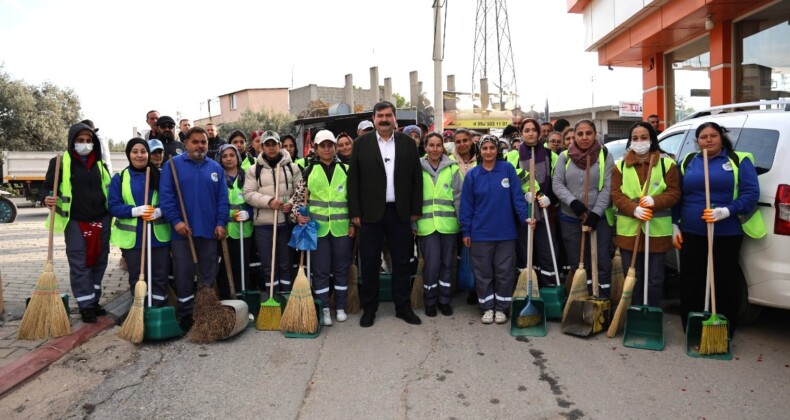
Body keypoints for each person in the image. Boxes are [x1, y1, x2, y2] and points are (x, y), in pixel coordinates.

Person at [674, 122, 760, 336]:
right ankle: (692, 328)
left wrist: (727, 211)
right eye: (704, 137)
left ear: (721, 138)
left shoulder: (738, 160)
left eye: (713, 135)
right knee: (691, 279)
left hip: (726, 233)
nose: (709, 140)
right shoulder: (688, 162)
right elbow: (677, 195)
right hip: (692, 232)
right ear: (697, 141)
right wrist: (674, 223)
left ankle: (721, 330)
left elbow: (750, 194)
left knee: (724, 281)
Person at [347, 101, 423, 328]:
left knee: (401, 261)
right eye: (380, 116)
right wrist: (355, 212)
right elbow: (354, 181)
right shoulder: (361, 144)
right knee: (369, 263)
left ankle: (403, 307)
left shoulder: (408, 143)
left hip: (400, 213)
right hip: (370, 214)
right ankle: (369, 308)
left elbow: (416, 179)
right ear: (373, 118)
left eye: (388, 115)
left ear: (394, 118)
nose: (384, 119)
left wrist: (415, 209)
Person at [159, 127, 230, 332]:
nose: (200, 145)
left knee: (208, 273)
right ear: (186, 144)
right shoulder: (172, 166)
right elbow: (166, 197)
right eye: (195, 142)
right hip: (183, 233)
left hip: (209, 232)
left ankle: (205, 311)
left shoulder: (216, 168)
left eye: (204, 142)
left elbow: (222, 200)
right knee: (184, 274)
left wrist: (220, 223)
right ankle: (186, 314)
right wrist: (176, 221)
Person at [42, 122, 112, 323]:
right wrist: (46, 198)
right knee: (80, 263)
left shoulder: (100, 163)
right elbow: (47, 188)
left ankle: (94, 300)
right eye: (80, 140)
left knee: (99, 260)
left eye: (89, 141)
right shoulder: (59, 162)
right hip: (75, 222)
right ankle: (85, 305)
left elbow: (108, 189)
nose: (85, 144)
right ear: (72, 142)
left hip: (101, 220)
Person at [459, 135, 530, 324]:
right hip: (480, 234)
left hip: (506, 233)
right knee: (483, 273)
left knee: (504, 271)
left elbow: (517, 197)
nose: (488, 152)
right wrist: (466, 231)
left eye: (492, 148)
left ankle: (502, 308)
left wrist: (525, 218)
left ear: (497, 150)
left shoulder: (507, 169)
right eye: (485, 148)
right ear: (480, 151)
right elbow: (466, 205)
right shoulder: (472, 175)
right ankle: (486, 307)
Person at [611, 122, 680, 307]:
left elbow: (674, 192)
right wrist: (633, 209)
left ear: (652, 140)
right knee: (633, 277)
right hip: (629, 232)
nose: (639, 142)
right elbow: (616, 194)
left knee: (655, 278)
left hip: (657, 232)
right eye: (635, 138)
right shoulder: (620, 166)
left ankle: (651, 314)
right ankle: (634, 313)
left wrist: (656, 202)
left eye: (644, 138)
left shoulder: (667, 164)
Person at [290, 130, 354, 326]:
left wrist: (353, 223)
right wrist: (297, 215)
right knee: (320, 270)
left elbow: (354, 200)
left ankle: (340, 307)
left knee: (342, 269)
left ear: (334, 147)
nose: (327, 149)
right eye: (322, 146)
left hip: (342, 228)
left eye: (330, 145)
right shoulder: (308, 171)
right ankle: (325, 308)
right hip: (316, 230)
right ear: (316, 149)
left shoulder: (346, 169)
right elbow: (298, 199)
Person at [553, 119, 614, 297]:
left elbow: (608, 187)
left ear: (595, 134)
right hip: (571, 218)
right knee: (578, 262)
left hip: (598, 218)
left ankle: (602, 300)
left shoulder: (604, 155)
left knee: (602, 260)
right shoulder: (564, 157)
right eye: (580, 134)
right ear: (574, 136)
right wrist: (574, 203)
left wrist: (595, 213)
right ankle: (583, 298)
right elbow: (557, 184)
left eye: (588, 133)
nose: (584, 137)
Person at [108, 138, 170, 306]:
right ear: (129, 154)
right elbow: (113, 206)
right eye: (135, 152)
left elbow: (172, 201)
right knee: (137, 277)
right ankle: (140, 313)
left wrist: (160, 211)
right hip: (133, 241)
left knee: (159, 277)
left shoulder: (162, 176)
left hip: (158, 238)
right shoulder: (119, 178)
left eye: (143, 151)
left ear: (148, 154)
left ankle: (159, 312)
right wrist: (133, 211)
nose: (140, 155)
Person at [243, 131, 300, 293]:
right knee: (269, 265)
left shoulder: (292, 168)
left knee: (285, 264)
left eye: (273, 144)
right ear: (261, 147)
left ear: (279, 145)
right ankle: (272, 299)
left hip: (286, 223)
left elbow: (301, 192)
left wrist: (290, 203)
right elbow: (248, 194)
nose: (271, 148)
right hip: (264, 225)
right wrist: (269, 202)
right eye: (267, 145)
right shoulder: (254, 170)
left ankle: (286, 298)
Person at [415, 133, 462, 316]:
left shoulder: (453, 168)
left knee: (447, 264)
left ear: (443, 148)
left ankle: (444, 300)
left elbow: (459, 197)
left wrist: (462, 223)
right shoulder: (417, 167)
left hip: (449, 226)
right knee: (431, 265)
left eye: (438, 145)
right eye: (431, 145)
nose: (435, 149)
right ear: (425, 147)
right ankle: (430, 300)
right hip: (426, 226)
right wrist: (412, 223)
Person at [519, 119, 560, 288]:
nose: (530, 133)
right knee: (524, 252)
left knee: (547, 252)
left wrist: (549, 198)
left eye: (533, 130)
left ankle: (549, 287)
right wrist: (523, 196)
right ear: (521, 133)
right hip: (524, 211)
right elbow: (511, 182)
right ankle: (525, 289)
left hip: (546, 210)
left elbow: (557, 183)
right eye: (526, 130)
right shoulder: (512, 156)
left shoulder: (551, 155)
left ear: (539, 132)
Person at [214, 144, 252, 300]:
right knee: (223, 268)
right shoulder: (216, 177)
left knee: (242, 266)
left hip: (243, 230)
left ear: (238, 157)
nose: (229, 159)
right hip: (223, 231)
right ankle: (227, 300)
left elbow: (254, 198)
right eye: (225, 156)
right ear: (220, 159)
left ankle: (244, 299)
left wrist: (248, 213)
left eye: (232, 155)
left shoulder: (247, 177)